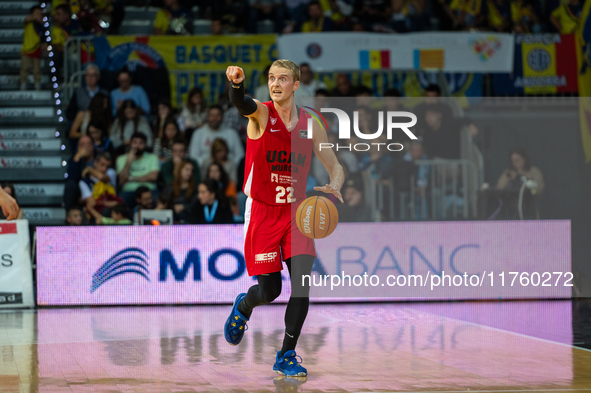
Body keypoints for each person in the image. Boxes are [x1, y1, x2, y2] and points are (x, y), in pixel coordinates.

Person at [223, 60, 344, 377]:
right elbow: (241, 102)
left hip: (296, 212)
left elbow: (335, 164)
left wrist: (336, 182)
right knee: (270, 291)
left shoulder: (311, 123)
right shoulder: (261, 114)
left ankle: (286, 354)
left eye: (283, 79)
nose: (276, 83)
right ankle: (245, 306)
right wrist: (237, 85)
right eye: (271, 78)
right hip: (263, 210)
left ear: (296, 84)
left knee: (302, 287)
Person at [116, 133, 159, 208]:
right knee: (121, 201)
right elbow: (122, 179)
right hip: (129, 191)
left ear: (145, 144)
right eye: (135, 142)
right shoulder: (121, 159)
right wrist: (128, 162)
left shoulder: (152, 157)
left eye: (141, 143)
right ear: (130, 144)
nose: (137, 146)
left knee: (157, 198)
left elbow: (153, 177)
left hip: (149, 191)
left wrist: (131, 179)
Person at [79, 152, 120, 217]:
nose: (104, 169)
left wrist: (90, 169)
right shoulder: (84, 182)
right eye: (102, 165)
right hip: (96, 213)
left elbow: (102, 178)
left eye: (107, 166)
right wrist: (106, 203)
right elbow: (92, 203)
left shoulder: (111, 173)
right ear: (95, 163)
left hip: (113, 211)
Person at [63, 135, 95, 210]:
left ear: (93, 146)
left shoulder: (98, 159)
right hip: (80, 190)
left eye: (88, 144)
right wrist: (77, 157)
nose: (86, 147)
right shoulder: (74, 160)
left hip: (95, 188)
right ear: (78, 147)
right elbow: (72, 178)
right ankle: (70, 217)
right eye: (82, 144)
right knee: (70, 186)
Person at [20, 6, 44, 91]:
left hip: (37, 51)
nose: (39, 16)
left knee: (37, 70)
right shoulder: (28, 23)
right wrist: (35, 17)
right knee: (24, 68)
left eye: (40, 14)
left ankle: (37, 84)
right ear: (32, 14)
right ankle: (23, 83)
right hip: (26, 50)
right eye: (37, 13)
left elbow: (43, 40)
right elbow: (26, 19)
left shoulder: (41, 26)